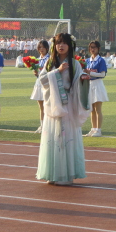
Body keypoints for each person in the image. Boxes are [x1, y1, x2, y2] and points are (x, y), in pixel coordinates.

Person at [35, 33, 90, 186]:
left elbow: (78, 80)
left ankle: (66, 175)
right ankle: (52, 173)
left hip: (68, 104)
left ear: (69, 46)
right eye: (59, 43)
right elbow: (42, 80)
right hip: (53, 104)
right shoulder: (50, 62)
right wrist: (57, 71)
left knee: (66, 137)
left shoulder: (74, 64)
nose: (61, 46)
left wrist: (83, 79)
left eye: (64, 43)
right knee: (53, 137)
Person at [84, 41, 109, 137]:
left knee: (97, 109)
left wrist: (90, 73)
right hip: (89, 84)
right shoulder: (87, 60)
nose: (92, 49)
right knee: (91, 109)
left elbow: (102, 74)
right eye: (91, 47)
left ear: (98, 48)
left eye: (94, 47)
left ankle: (98, 130)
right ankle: (93, 129)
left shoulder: (101, 60)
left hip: (97, 84)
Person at [30, 40, 50, 133]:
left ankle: (47, 126)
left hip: (47, 84)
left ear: (47, 48)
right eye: (40, 47)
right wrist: (35, 73)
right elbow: (38, 73)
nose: (41, 49)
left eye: (43, 47)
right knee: (41, 106)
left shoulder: (49, 59)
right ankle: (42, 125)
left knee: (47, 106)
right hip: (39, 83)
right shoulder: (37, 60)